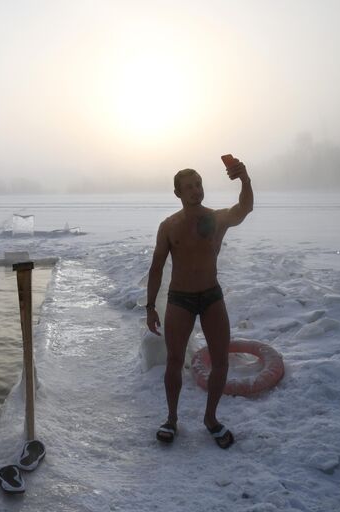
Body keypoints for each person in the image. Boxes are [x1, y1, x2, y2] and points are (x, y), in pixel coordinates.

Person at [145, 155, 253, 449]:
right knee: (174, 361)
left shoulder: (216, 219)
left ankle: (211, 418)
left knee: (220, 362)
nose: (195, 190)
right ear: (178, 193)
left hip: (211, 296)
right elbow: (156, 267)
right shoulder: (168, 226)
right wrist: (150, 306)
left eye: (199, 184)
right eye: (188, 187)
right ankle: (171, 419)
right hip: (180, 299)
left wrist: (244, 178)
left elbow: (244, 208)